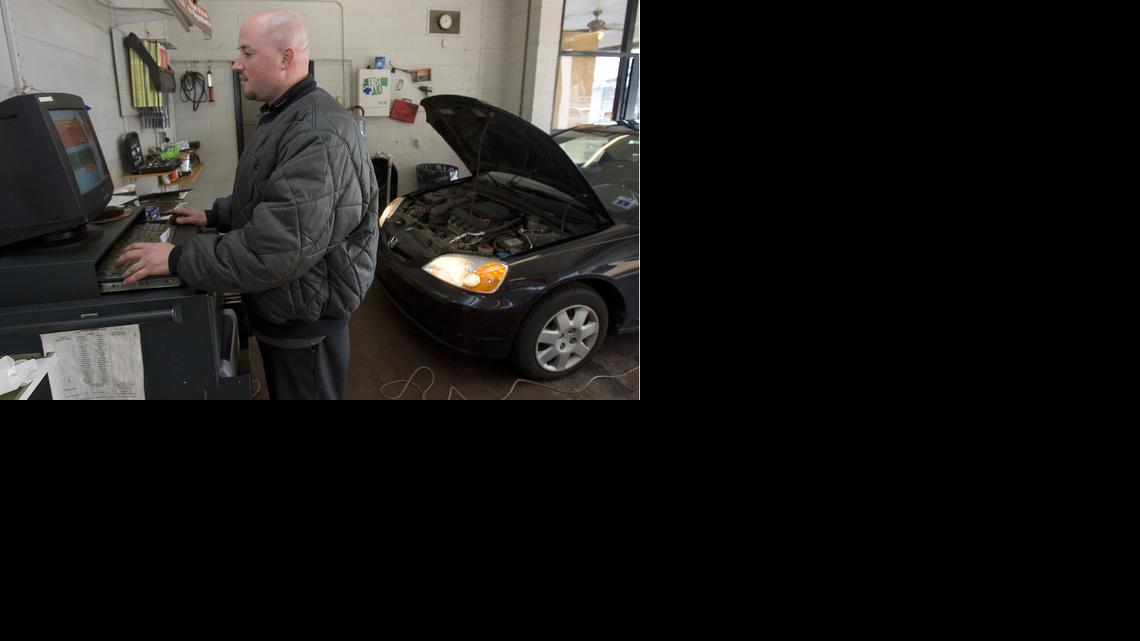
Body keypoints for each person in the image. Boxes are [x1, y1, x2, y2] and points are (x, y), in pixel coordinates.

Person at [115, 9, 380, 400]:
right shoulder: (285, 114)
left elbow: (275, 248)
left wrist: (177, 259)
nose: (236, 64)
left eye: (246, 53)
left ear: (285, 58)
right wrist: (215, 215)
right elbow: (273, 197)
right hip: (288, 308)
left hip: (304, 324)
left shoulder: (317, 133)